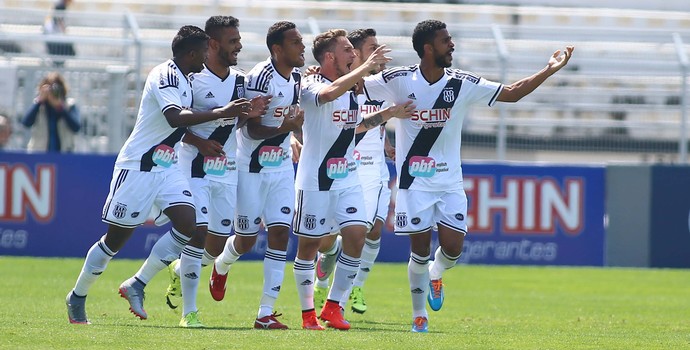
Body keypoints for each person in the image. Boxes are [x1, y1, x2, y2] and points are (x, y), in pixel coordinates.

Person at [362, 19, 574, 333]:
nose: (453, 45)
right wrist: (320, 76)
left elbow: (512, 93)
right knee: (417, 251)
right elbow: (356, 87)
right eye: (446, 40)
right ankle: (419, 315)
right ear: (428, 48)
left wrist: (550, 68)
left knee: (453, 250)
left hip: (449, 183)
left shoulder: (462, 82)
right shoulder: (398, 79)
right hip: (412, 183)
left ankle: (438, 272)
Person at [65, 25, 252, 325]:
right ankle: (77, 296)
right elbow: (174, 117)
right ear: (191, 53)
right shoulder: (164, 75)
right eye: (204, 51)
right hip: (138, 166)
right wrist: (221, 112)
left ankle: (137, 284)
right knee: (114, 242)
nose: (207, 56)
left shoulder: (187, 78)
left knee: (189, 226)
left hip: (166, 167)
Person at [294, 28, 412, 331]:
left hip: (346, 178)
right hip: (315, 181)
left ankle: (333, 306)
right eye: (348, 50)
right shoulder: (310, 82)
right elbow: (327, 94)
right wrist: (364, 66)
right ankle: (308, 313)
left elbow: (356, 127)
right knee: (311, 247)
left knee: (358, 236)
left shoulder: (351, 91)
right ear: (330, 56)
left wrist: (389, 114)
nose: (354, 55)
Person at [161, 16, 269, 328]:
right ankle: (189, 313)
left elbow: (239, 123)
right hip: (194, 166)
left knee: (217, 244)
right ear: (213, 43)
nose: (239, 45)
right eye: (233, 40)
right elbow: (172, 123)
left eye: (238, 39)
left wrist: (253, 113)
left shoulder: (241, 81)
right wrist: (198, 141)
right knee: (199, 233)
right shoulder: (192, 80)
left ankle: (180, 270)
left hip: (227, 169)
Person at [209, 20, 305, 330]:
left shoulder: (298, 78)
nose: (302, 47)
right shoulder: (260, 78)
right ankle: (221, 266)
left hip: (280, 169)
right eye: (295, 43)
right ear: (277, 49)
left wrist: (290, 136)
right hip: (251, 168)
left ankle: (265, 313)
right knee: (247, 240)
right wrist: (285, 129)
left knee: (280, 234)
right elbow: (250, 128)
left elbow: (289, 118)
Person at [313, 28, 398, 315]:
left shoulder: (381, 84)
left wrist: (386, 143)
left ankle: (354, 287)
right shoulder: (341, 84)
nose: (379, 51)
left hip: (377, 167)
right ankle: (328, 255)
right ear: (357, 54)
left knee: (372, 232)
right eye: (372, 47)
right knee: (329, 238)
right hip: (349, 166)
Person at [21, 72, 80, 152]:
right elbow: (26, 123)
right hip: (40, 153)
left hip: (64, 153)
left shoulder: (69, 105)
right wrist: (39, 101)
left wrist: (60, 107)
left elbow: (76, 127)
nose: (52, 92)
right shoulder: (39, 105)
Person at [43, 0, 76, 66]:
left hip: (52, 31)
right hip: (53, 32)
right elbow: (59, 19)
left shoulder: (60, 4)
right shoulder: (61, 5)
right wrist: (64, 31)